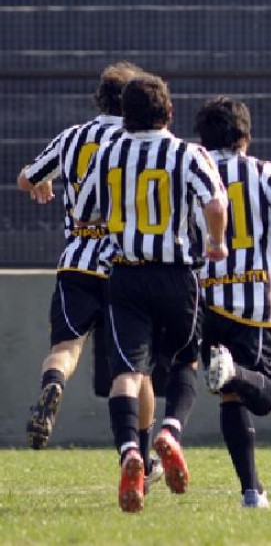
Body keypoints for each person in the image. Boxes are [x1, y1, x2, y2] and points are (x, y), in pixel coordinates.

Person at [74, 74, 228, 513]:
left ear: (125, 115)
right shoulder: (187, 152)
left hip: (125, 273)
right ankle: (170, 431)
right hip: (177, 274)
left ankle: (130, 452)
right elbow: (216, 204)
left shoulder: (108, 151)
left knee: (127, 370)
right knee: (185, 360)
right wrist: (216, 242)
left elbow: (85, 208)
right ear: (169, 111)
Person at [17, 61, 163, 493]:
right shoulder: (140, 140)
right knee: (137, 369)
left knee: (65, 347)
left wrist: (40, 184)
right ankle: (141, 452)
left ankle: (53, 386)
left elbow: (27, 177)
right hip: (126, 264)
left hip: (76, 259)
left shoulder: (73, 137)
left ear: (99, 98)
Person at [193, 96, 271, 508]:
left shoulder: (194, 172)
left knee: (229, 394)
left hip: (206, 300)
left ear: (202, 140)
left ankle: (251, 491)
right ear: (246, 137)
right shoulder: (262, 172)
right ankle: (236, 372)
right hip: (255, 302)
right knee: (266, 395)